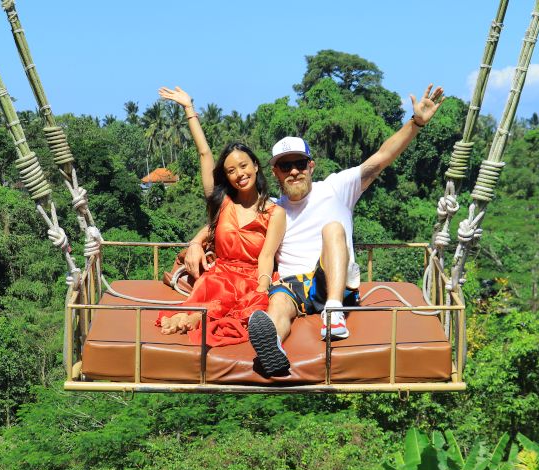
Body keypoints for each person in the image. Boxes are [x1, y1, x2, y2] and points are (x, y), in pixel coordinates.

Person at [245, 84, 445, 375]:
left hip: (332, 282)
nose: (293, 171)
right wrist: (200, 242)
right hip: (294, 287)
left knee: (333, 228)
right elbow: (228, 214)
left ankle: (334, 312)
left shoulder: (336, 188)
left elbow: (381, 158)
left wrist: (415, 124)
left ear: (311, 166)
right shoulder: (273, 208)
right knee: (277, 302)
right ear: (275, 172)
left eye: (299, 163)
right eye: (285, 166)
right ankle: (272, 345)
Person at [156, 87, 286, 347]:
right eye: (230, 170)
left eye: (243, 165)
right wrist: (188, 109)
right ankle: (193, 315)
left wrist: (261, 286)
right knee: (213, 286)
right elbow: (204, 154)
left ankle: (196, 318)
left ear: (255, 165)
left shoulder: (274, 212)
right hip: (220, 274)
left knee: (248, 307)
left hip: (252, 277)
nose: (239, 173)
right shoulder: (222, 204)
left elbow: (266, 256)